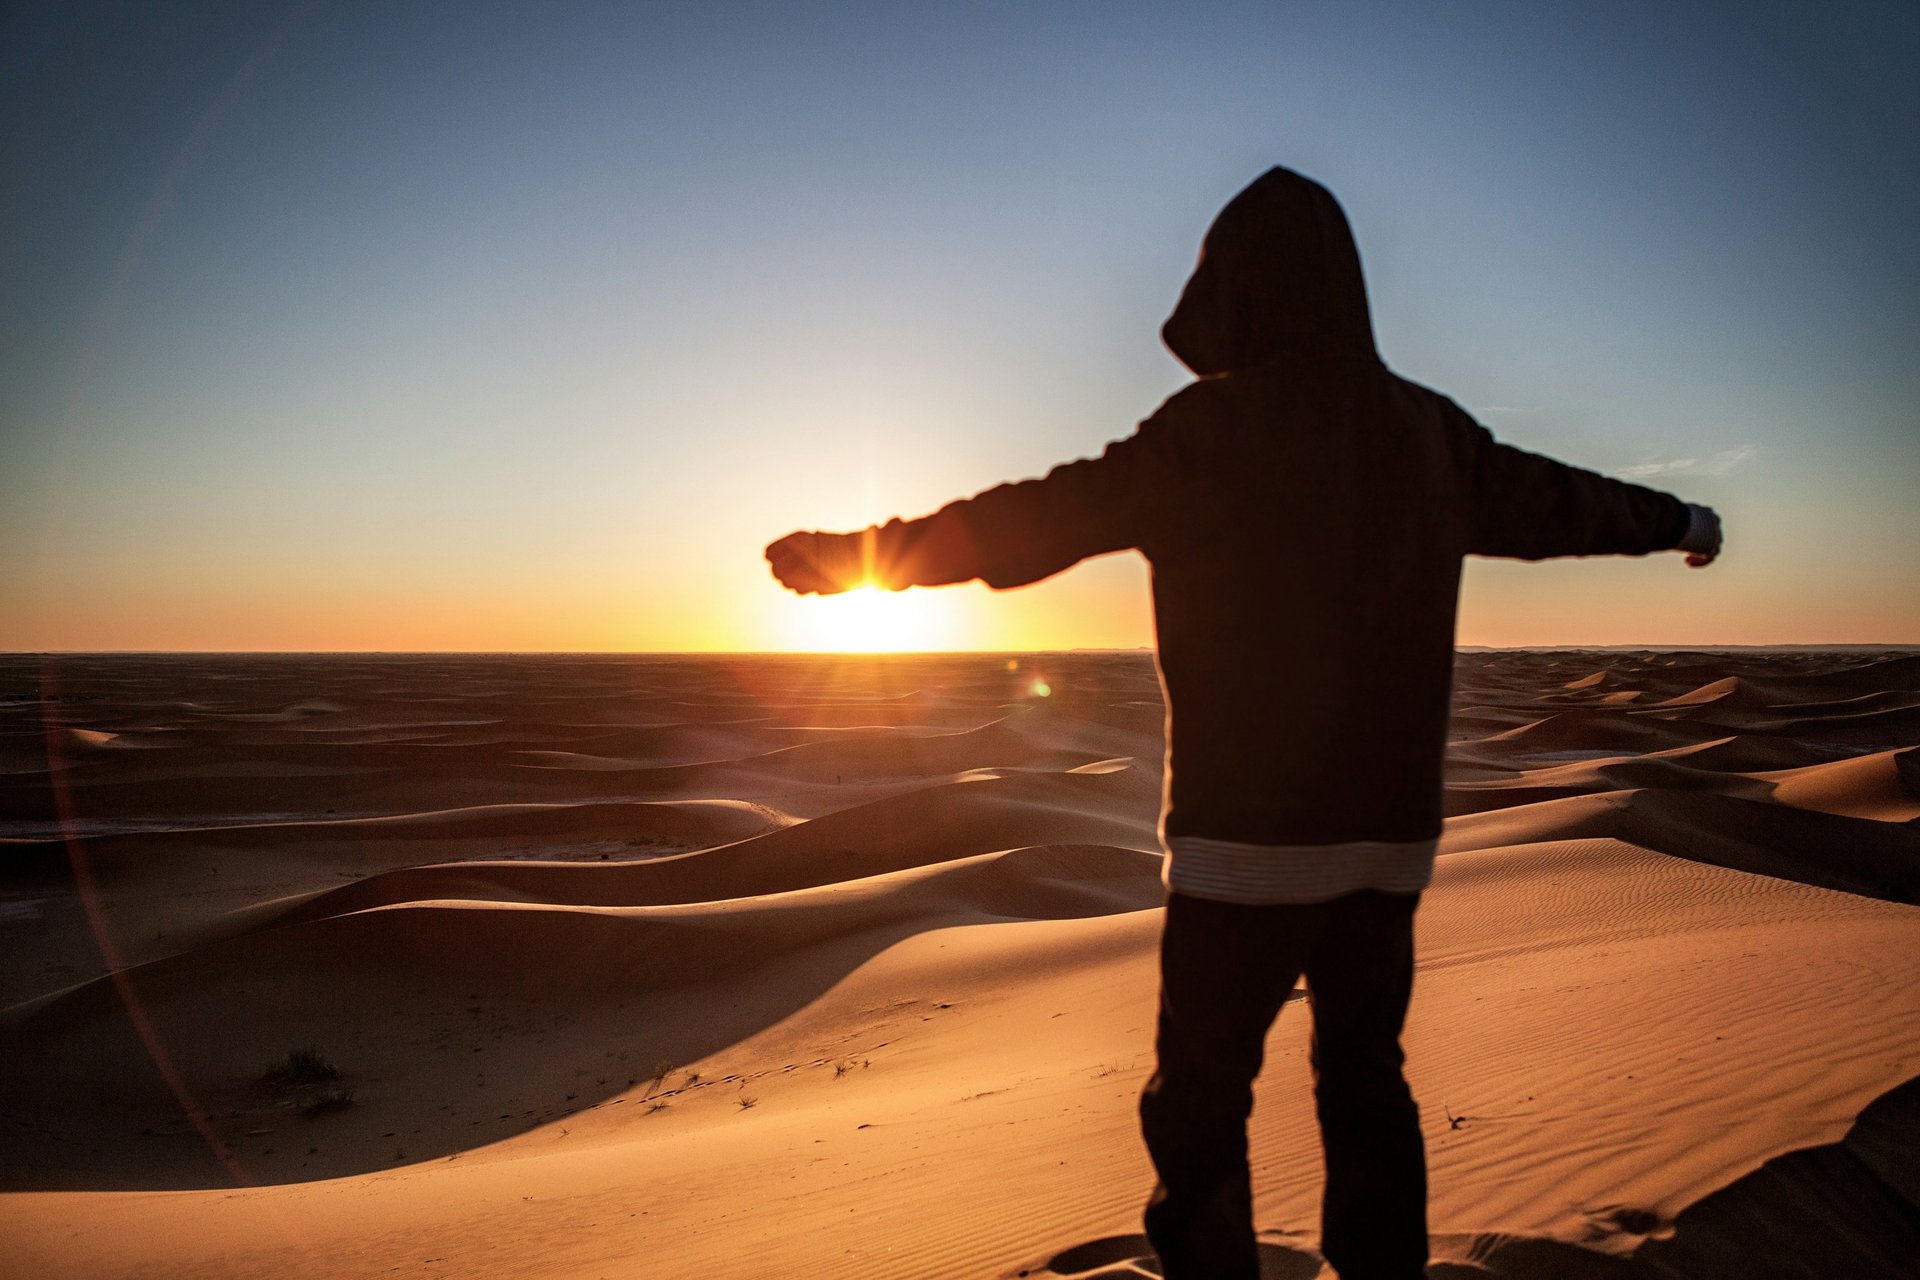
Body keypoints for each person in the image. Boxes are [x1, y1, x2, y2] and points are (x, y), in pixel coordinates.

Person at [764, 166, 1721, 1280]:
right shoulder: (1432, 434)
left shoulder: (1206, 431)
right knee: (1368, 1082)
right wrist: (1688, 517)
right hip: (1386, 847)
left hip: (1245, 853)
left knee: (1202, 1103)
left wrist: (858, 559)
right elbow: (1573, 504)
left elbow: (1037, 515)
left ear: (1235, 292)